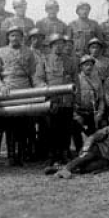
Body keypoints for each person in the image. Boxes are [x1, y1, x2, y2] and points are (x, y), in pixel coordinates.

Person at [0, 26, 37, 166]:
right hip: (8, 90)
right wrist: (1, 86)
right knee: (10, 125)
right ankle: (11, 156)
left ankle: (22, 155)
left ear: (22, 37)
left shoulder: (28, 52)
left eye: (17, 35)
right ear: (8, 37)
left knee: (25, 124)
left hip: (25, 90)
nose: (15, 38)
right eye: (12, 35)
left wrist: (36, 88)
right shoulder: (1, 52)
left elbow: (34, 73)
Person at [33, 33, 76, 166]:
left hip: (66, 100)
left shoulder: (70, 61)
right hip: (51, 101)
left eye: (61, 44)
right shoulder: (44, 60)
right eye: (56, 45)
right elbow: (37, 79)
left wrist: (76, 98)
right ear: (51, 46)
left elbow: (76, 80)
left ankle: (64, 154)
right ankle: (51, 156)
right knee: (50, 129)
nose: (59, 47)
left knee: (66, 128)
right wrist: (44, 87)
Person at [54, 112, 109, 178]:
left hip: (107, 159)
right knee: (87, 156)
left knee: (89, 168)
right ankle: (66, 169)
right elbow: (93, 137)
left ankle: (59, 169)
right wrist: (85, 149)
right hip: (97, 149)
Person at [73, 55, 105, 152]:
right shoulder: (76, 79)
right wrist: (75, 114)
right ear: (81, 67)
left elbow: (101, 99)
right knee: (75, 128)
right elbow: (71, 100)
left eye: (91, 65)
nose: (89, 67)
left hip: (93, 113)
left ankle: (93, 152)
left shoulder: (97, 80)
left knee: (95, 135)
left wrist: (100, 112)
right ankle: (79, 151)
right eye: (86, 65)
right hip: (79, 112)